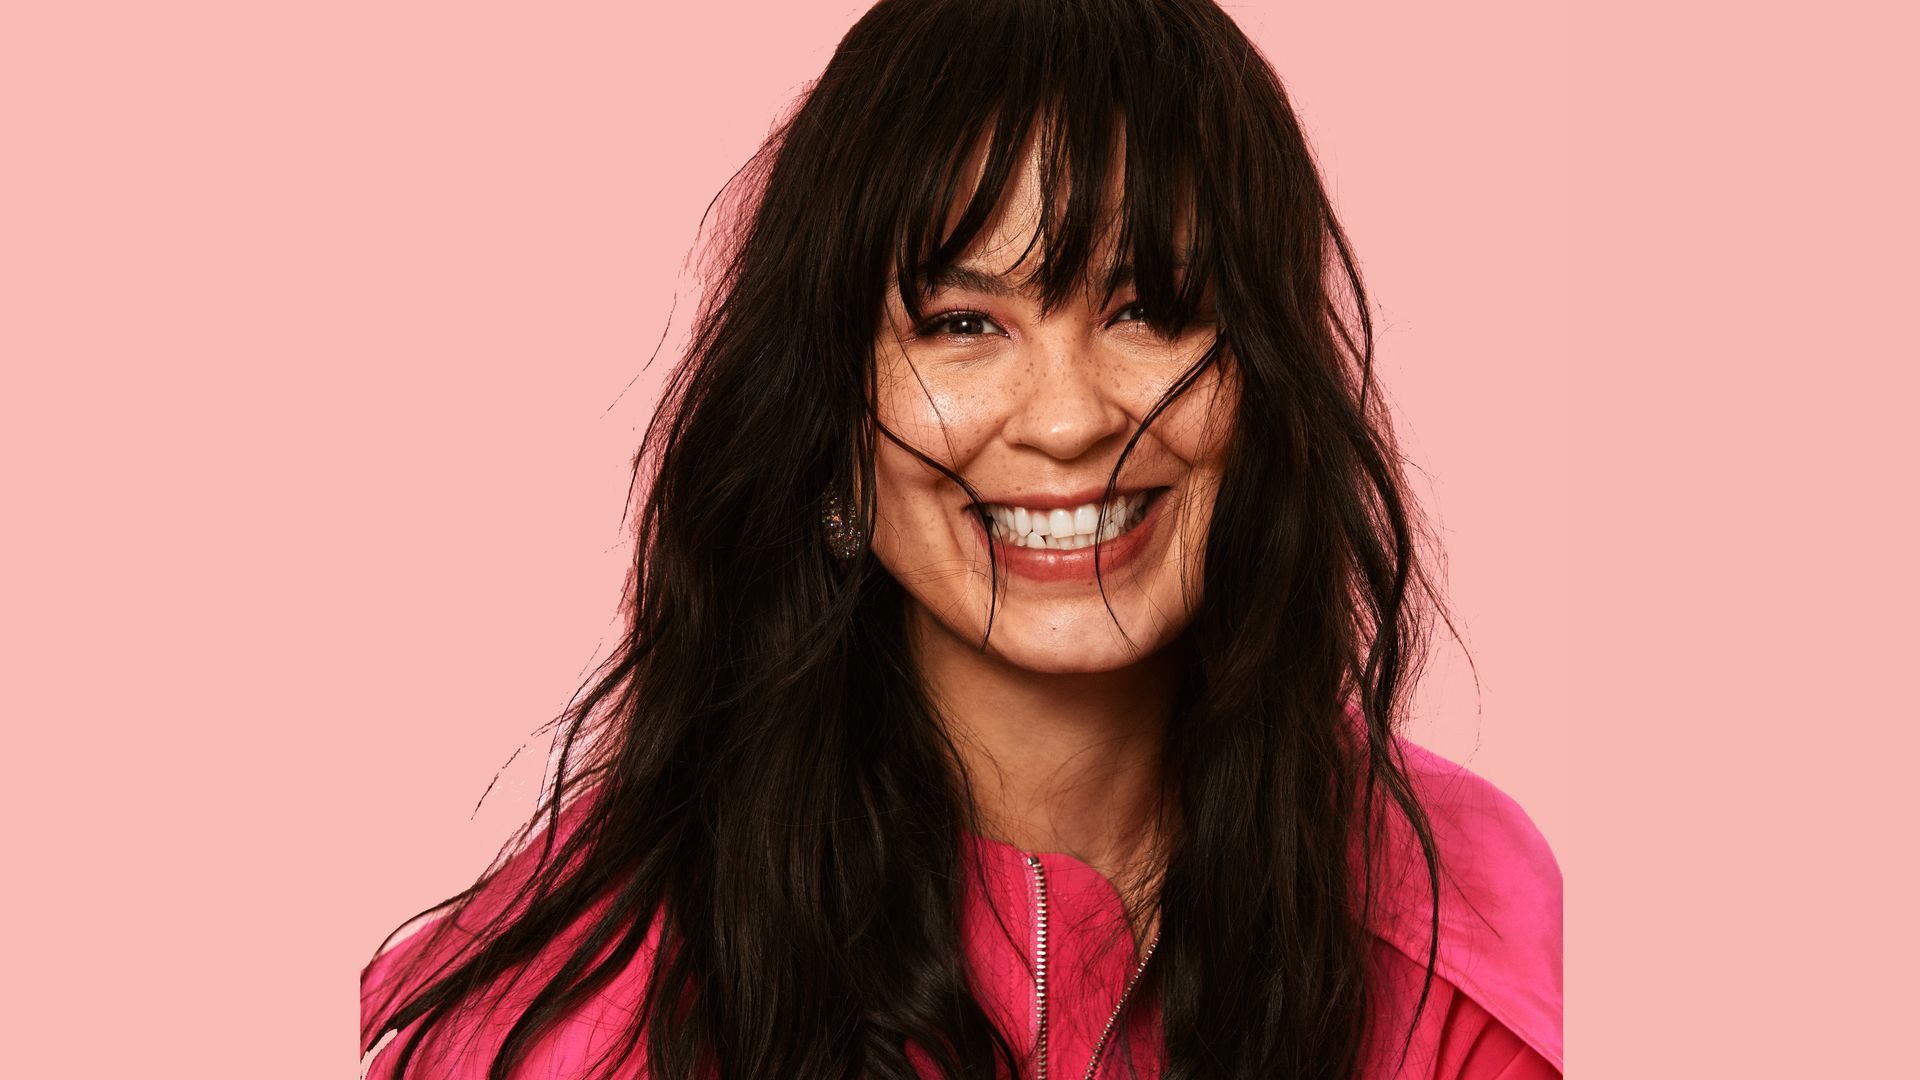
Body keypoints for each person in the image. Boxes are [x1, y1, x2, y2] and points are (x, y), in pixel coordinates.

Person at [359, 0, 1563, 1076]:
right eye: (961, 324)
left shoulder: (1473, 942)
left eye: (1149, 309)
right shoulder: (584, 1020)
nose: (1068, 420)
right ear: (833, 416)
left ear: (1265, 385)